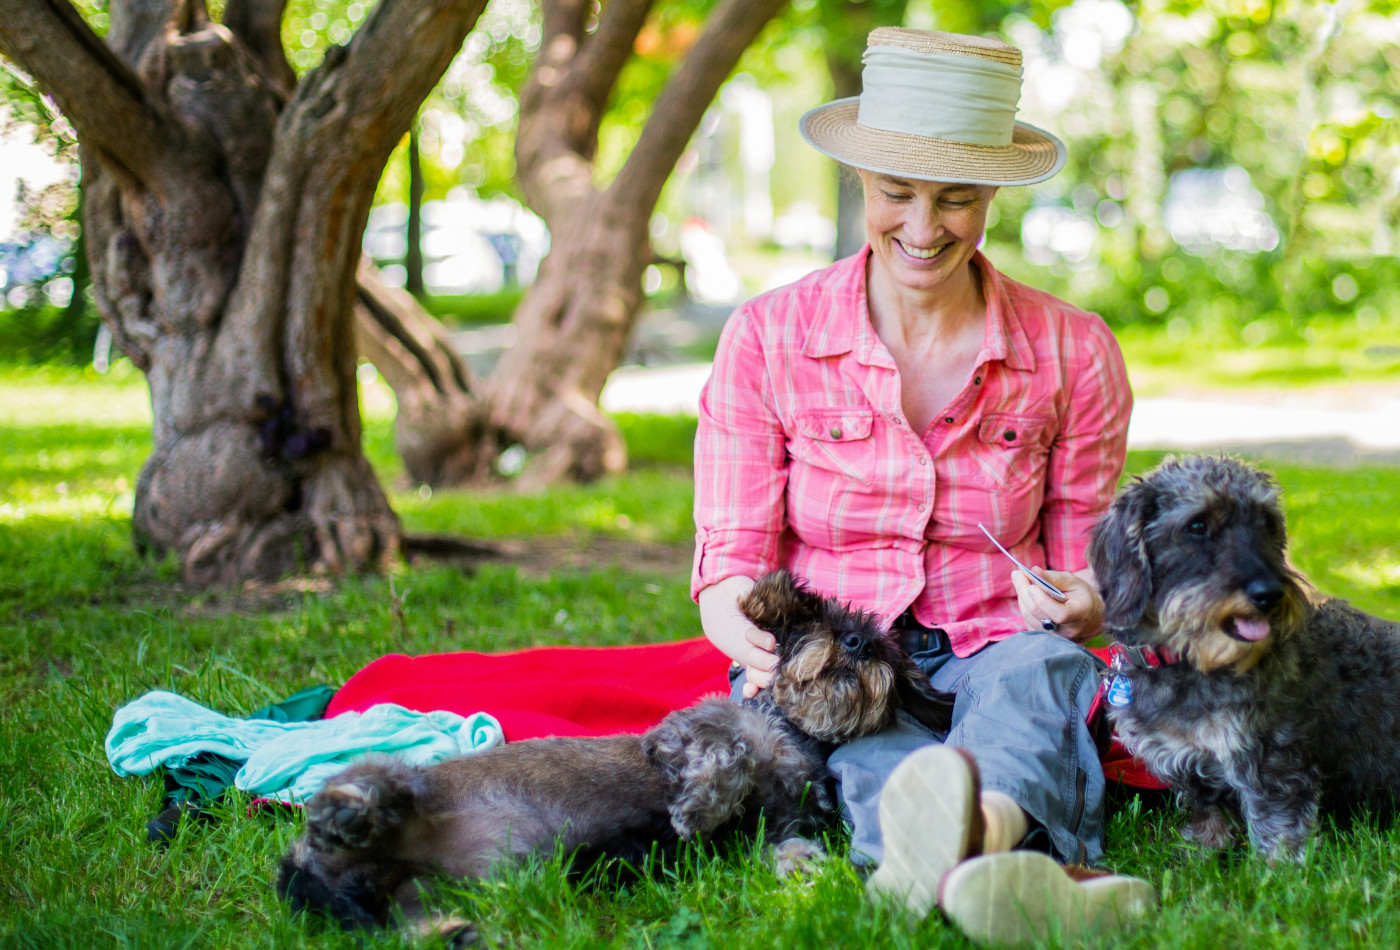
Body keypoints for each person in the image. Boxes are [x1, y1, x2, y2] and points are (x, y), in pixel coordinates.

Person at [691, 27, 1157, 947]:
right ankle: (1017, 872)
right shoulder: (768, 335)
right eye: (896, 194)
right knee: (859, 733)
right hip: (844, 649)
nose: (922, 226)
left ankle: (960, 845)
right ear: (862, 182)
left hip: (997, 636)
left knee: (1040, 676)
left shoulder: (1074, 349)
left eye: (956, 200)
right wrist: (729, 610)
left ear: (992, 194)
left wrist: (1083, 601)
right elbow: (733, 552)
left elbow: (1085, 561)